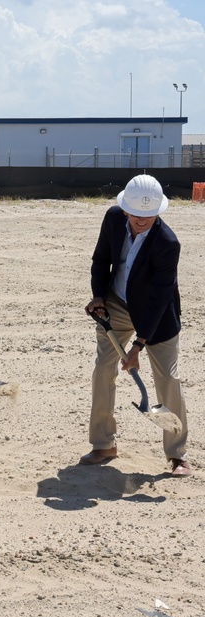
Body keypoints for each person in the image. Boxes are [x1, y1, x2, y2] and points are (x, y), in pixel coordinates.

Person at [81, 174, 191, 476]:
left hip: (156, 316)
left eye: (149, 216)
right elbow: (102, 259)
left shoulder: (168, 243)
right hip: (116, 302)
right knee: (104, 368)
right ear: (126, 208)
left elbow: (159, 297)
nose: (142, 221)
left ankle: (177, 454)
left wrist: (139, 346)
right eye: (137, 215)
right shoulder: (114, 218)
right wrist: (99, 296)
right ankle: (103, 444)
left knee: (167, 378)